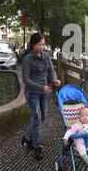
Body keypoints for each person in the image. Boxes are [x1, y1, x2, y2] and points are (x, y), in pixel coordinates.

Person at [21, 32, 61, 160]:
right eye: (40, 45)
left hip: (44, 92)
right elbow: (26, 80)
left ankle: (27, 137)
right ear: (33, 45)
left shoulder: (46, 56)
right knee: (37, 117)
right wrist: (41, 87)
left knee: (43, 116)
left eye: (43, 45)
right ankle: (37, 147)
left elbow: (51, 70)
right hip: (32, 93)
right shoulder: (28, 59)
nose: (42, 47)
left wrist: (54, 80)